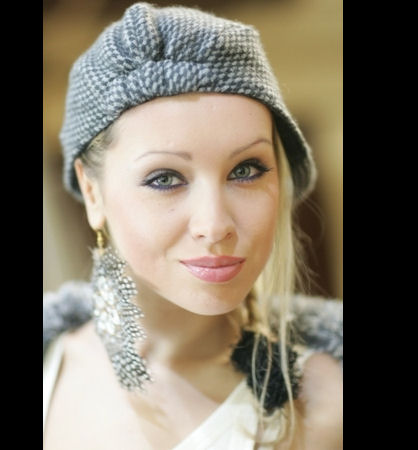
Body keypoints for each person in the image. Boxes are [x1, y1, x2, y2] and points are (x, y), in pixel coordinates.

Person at [43, 2, 343, 449]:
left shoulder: (322, 402)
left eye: (246, 170)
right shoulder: (53, 362)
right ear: (92, 193)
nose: (215, 224)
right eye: (165, 179)